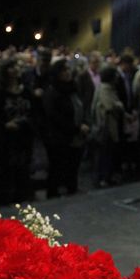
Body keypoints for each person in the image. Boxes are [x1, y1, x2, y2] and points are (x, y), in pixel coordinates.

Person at [44, 59, 89, 196]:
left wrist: (85, 123)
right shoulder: (52, 92)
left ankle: (72, 190)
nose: (67, 73)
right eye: (64, 70)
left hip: (76, 136)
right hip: (60, 137)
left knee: (73, 167)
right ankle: (54, 195)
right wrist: (76, 128)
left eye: (68, 69)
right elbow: (54, 117)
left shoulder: (73, 88)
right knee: (57, 168)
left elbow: (81, 107)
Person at [0, 59, 35, 203]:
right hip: (7, 137)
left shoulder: (26, 90)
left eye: (16, 67)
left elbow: (34, 111)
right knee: (8, 168)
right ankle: (7, 199)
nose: (15, 70)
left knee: (24, 167)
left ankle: (23, 195)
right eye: (11, 67)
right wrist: (5, 124)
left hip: (24, 134)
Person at [90, 66, 124, 187]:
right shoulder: (105, 89)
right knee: (104, 154)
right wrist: (119, 105)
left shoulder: (107, 88)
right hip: (106, 127)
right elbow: (110, 106)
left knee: (106, 154)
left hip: (107, 126)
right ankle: (102, 178)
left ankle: (105, 177)